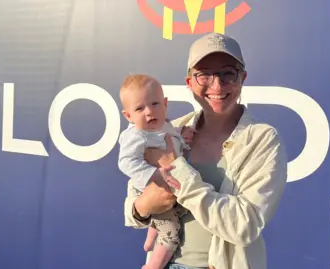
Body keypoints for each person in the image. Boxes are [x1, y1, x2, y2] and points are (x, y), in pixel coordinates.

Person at [124, 32, 288, 269]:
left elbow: (245, 225)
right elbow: (133, 208)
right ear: (189, 82)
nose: (217, 85)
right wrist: (144, 206)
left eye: (228, 74)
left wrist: (179, 172)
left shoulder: (263, 139)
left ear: (242, 78)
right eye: (204, 75)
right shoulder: (173, 130)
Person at [117, 74, 195, 269]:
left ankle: (150, 240)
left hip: (169, 191)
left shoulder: (166, 125)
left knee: (177, 213)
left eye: (155, 104)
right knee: (171, 235)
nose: (149, 112)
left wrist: (184, 139)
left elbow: (174, 148)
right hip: (151, 190)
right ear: (128, 116)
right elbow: (126, 162)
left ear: (165, 103)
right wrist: (154, 175)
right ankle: (154, 266)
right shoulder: (136, 135)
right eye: (139, 108)